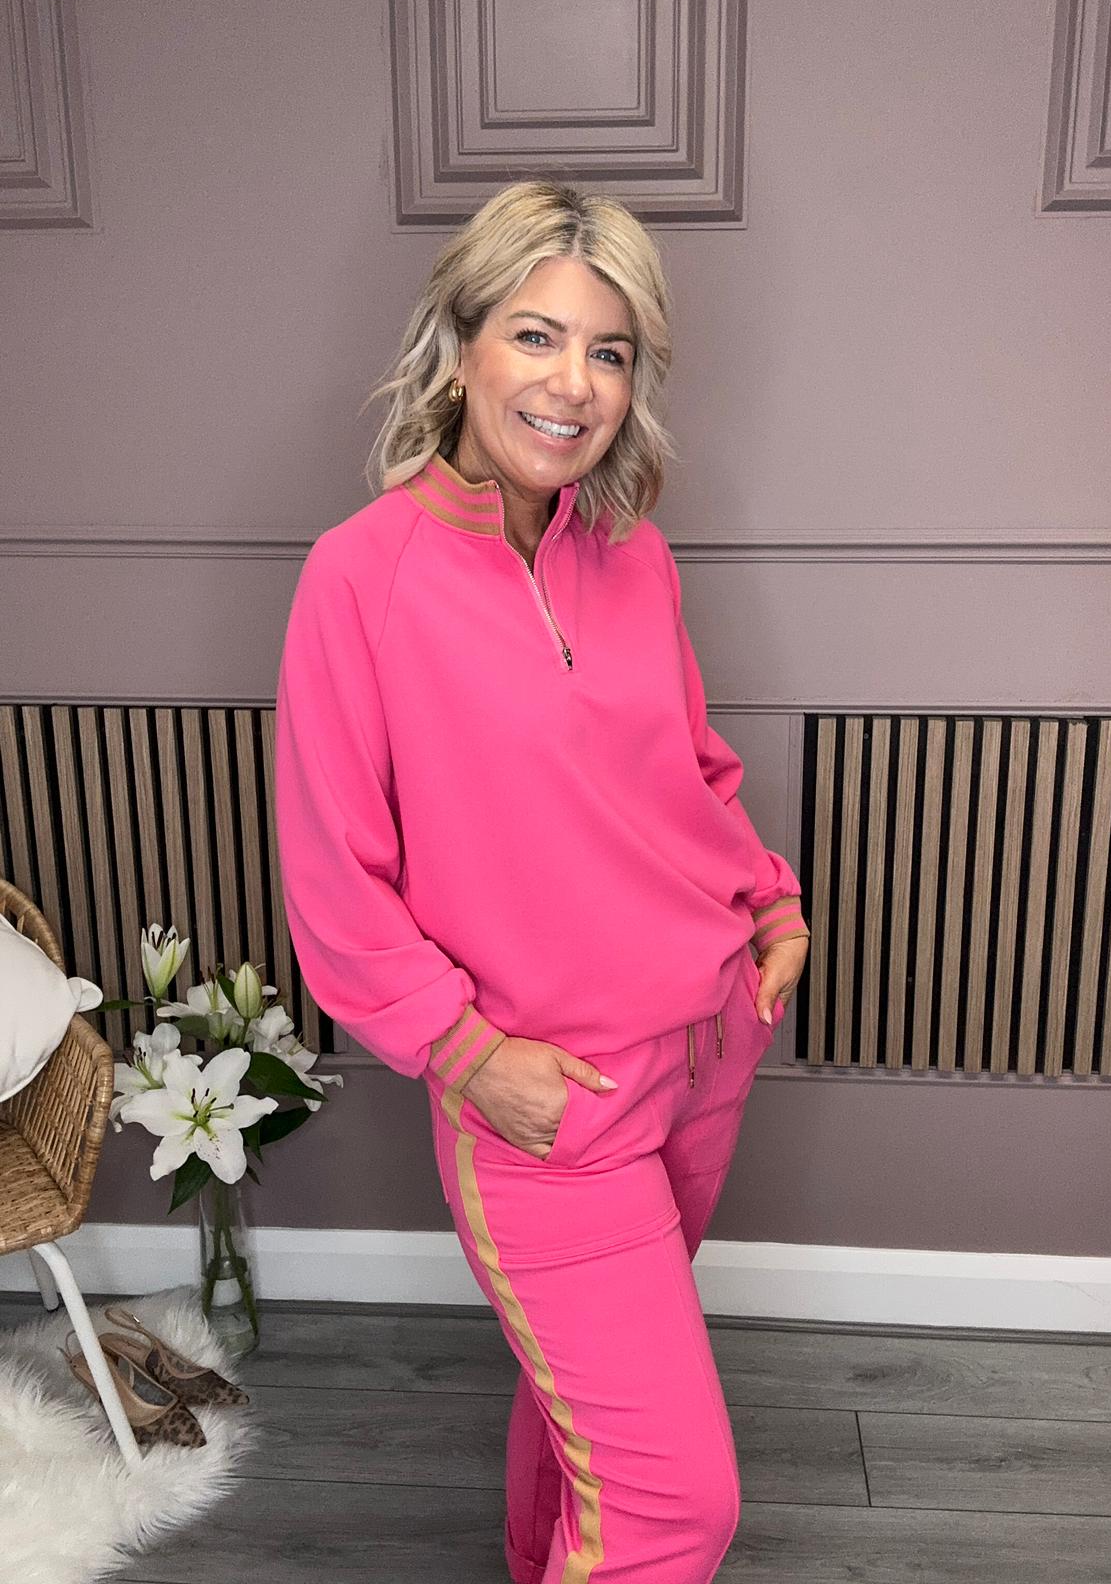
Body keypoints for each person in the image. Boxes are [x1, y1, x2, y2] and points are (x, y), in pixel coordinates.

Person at [273, 178, 810, 1584]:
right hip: (545, 1097)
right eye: (536, 335)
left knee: (581, 1427)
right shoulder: (358, 579)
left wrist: (770, 902)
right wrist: (465, 1056)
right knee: (674, 1508)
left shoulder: (633, 554)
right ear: (458, 348)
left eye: (610, 351)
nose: (576, 383)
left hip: (707, 1045)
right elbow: (335, 880)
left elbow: (687, 766)